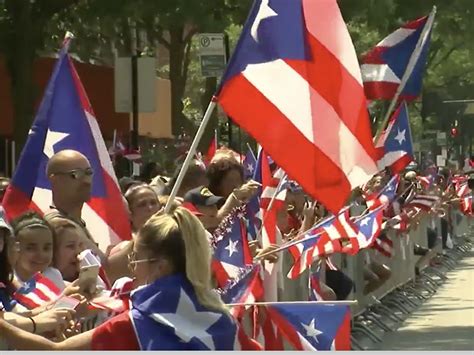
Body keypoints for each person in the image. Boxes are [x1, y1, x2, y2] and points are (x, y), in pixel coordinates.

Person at [0, 207, 244, 350]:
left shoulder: (137, 323)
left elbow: (54, 352)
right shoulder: (225, 320)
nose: (131, 268)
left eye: (135, 260)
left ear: (160, 266)